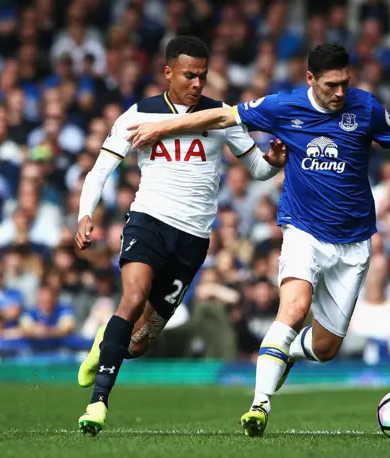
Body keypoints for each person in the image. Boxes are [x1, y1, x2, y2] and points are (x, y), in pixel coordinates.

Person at [126, 43, 390, 437]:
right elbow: (223, 117)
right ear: (310, 79)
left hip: (353, 242)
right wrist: (161, 126)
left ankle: (287, 352)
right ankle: (259, 406)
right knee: (293, 307)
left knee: (326, 348)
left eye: (344, 83)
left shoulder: (367, 108)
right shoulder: (283, 106)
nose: (339, 93)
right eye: (330, 85)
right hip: (303, 229)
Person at [74, 36, 288, 436]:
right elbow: (99, 170)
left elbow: (257, 169)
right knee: (132, 298)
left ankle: (105, 340)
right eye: (190, 75)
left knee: (139, 343)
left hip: (192, 239)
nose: (197, 83)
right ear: (168, 72)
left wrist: (274, 163)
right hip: (148, 221)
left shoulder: (221, 116)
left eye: (203, 76)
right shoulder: (138, 115)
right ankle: (98, 403)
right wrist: (86, 214)